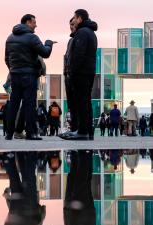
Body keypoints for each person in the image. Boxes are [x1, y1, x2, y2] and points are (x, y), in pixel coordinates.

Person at [5, 14, 54, 140]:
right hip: (29, 75)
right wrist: (48, 43)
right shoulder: (32, 38)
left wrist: (13, 69)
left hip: (15, 75)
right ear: (27, 22)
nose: (36, 25)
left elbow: (7, 58)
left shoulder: (10, 38)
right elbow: (45, 53)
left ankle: (9, 134)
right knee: (29, 104)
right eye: (34, 23)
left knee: (14, 104)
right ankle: (31, 133)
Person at [3, 152, 55, 225]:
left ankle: (31, 154)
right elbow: (8, 224)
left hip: (29, 206)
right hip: (15, 207)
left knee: (29, 179)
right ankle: (10, 157)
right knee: (14, 180)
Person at [61, 9, 98, 141]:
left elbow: (78, 55)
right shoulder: (90, 32)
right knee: (86, 102)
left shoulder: (82, 32)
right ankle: (86, 131)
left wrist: (72, 71)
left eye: (75, 18)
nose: (74, 21)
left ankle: (82, 131)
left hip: (81, 73)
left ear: (80, 18)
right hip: (88, 72)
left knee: (82, 103)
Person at [64, 150, 98, 225]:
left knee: (78, 180)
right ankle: (84, 154)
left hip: (78, 208)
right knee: (81, 181)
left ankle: (82, 155)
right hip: (80, 209)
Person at [63, 18, 77, 134]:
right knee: (71, 104)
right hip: (68, 75)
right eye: (70, 24)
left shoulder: (79, 37)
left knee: (76, 103)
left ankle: (76, 128)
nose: (71, 26)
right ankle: (73, 128)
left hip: (74, 75)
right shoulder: (70, 40)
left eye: (73, 24)